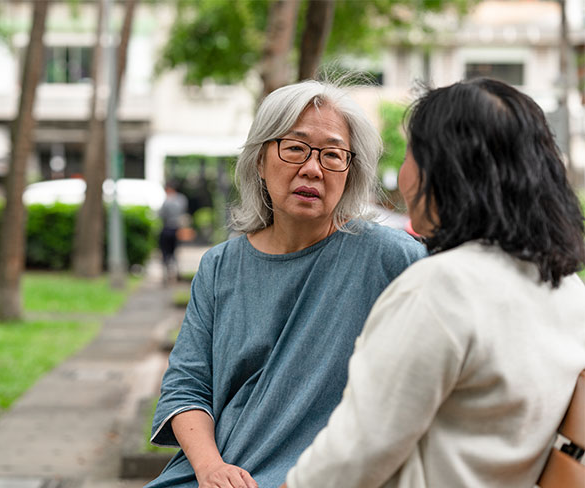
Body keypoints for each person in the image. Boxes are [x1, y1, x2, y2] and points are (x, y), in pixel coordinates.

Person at [284, 78, 585, 488]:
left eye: (411, 154)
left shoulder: (441, 288)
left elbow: (350, 460)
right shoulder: (568, 291)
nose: (404, 176)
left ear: (448, 172)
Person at [145, 80, 426, 488]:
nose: (312, 168)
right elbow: (186, 387)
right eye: (295, 148)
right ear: (260, 160)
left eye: (333, 155)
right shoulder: (220, 266)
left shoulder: (392, 259)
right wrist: (211, 469)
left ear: (350, 174)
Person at [159, 183, 189, 282]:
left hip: (167, 228)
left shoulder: (167, 201)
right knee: (175, 251)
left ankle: (167, 273)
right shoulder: (182, 199)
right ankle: (176, 272)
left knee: (165, 252)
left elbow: (161, 215)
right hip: (177, 229)